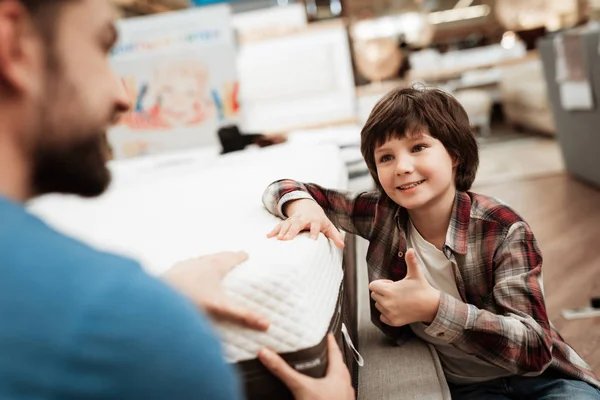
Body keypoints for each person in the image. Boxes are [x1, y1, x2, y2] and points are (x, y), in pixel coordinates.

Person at [0, 0, 353, 398]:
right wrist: (146, 309)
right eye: (102, 46)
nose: (124, 99)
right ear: (15, 44)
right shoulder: (133, 329)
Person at [263, 85, 600, 399]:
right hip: (469, 389)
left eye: (418, 147)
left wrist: (434, 309)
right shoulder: (381, 213)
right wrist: (304, 206)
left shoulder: (503, 229)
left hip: (543, 379)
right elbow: (281, 186)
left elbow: (534, 348)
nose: (403, 167)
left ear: (454, 155)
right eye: (386, 157)